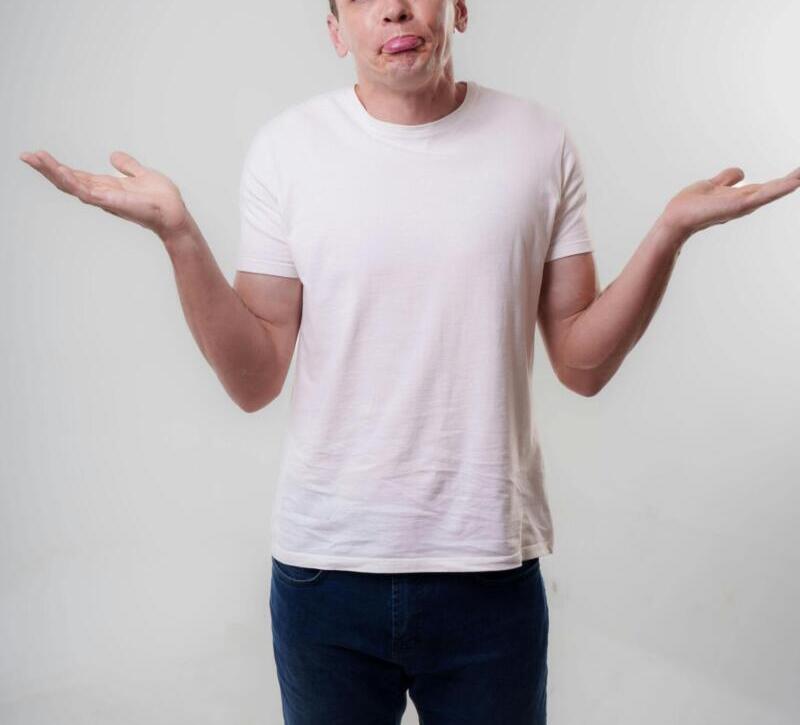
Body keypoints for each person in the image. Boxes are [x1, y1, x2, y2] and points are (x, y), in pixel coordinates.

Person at [18, 1, 800, 722]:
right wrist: (181, 237)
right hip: (327, 572)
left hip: (488, 571)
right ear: (336, 31)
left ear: (458, 8)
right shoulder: (289, 150)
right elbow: (256, 378)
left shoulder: (538, 142)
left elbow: (581, 361)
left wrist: (669, 233)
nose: (392, 7)